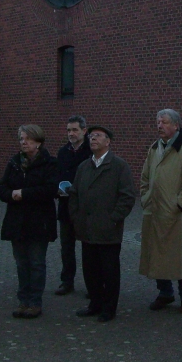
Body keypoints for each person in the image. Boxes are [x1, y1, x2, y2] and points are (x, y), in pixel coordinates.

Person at [68, 125, 135, 322]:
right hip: (87, 229)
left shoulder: (119, 166)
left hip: (108, 230)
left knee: (109, 271)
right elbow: (74, 194)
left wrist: (113, 219)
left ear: (108, 141)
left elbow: (127, 197)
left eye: (98, 136)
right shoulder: (84, 166)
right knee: (90, 270)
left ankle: (109, 308)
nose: (93, 138)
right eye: (91, 136)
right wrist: (76, 217)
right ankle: (94, 304)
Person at [139, 109, 182, 313]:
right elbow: (145, 176)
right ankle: (165, 292)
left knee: (180, 255)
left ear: (176, 125)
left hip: (176, 213)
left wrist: (180, 204)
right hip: (154, 210)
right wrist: (145, 197)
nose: (159, 125)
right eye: (158, 122)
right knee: (157, 254)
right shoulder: (154, 148)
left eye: (164, 122)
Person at [0, 124, 58, 319]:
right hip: (17, 221)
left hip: (39, 221)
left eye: (28, 139)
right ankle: (23, 301)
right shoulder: (14, 162)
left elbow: (50, 189)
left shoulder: (49, 163)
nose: (23, 142)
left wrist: (23, 193)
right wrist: (11, 194)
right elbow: (2, 187)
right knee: (21, 263)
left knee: (36, 263)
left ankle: (35, 302)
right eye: (21, 139)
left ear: (38, 142)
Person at [55, 115, 92, 296]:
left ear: (84, 131)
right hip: (66, 207)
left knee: (89, 248)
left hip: (85, 208)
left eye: (75, 130)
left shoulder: (91, 152)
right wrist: (57, 188)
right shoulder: (63, 152)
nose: (71, 133)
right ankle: (67, 281)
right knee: (67, 247)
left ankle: (92, 284)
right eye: (69, 130)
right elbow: (57, 175)